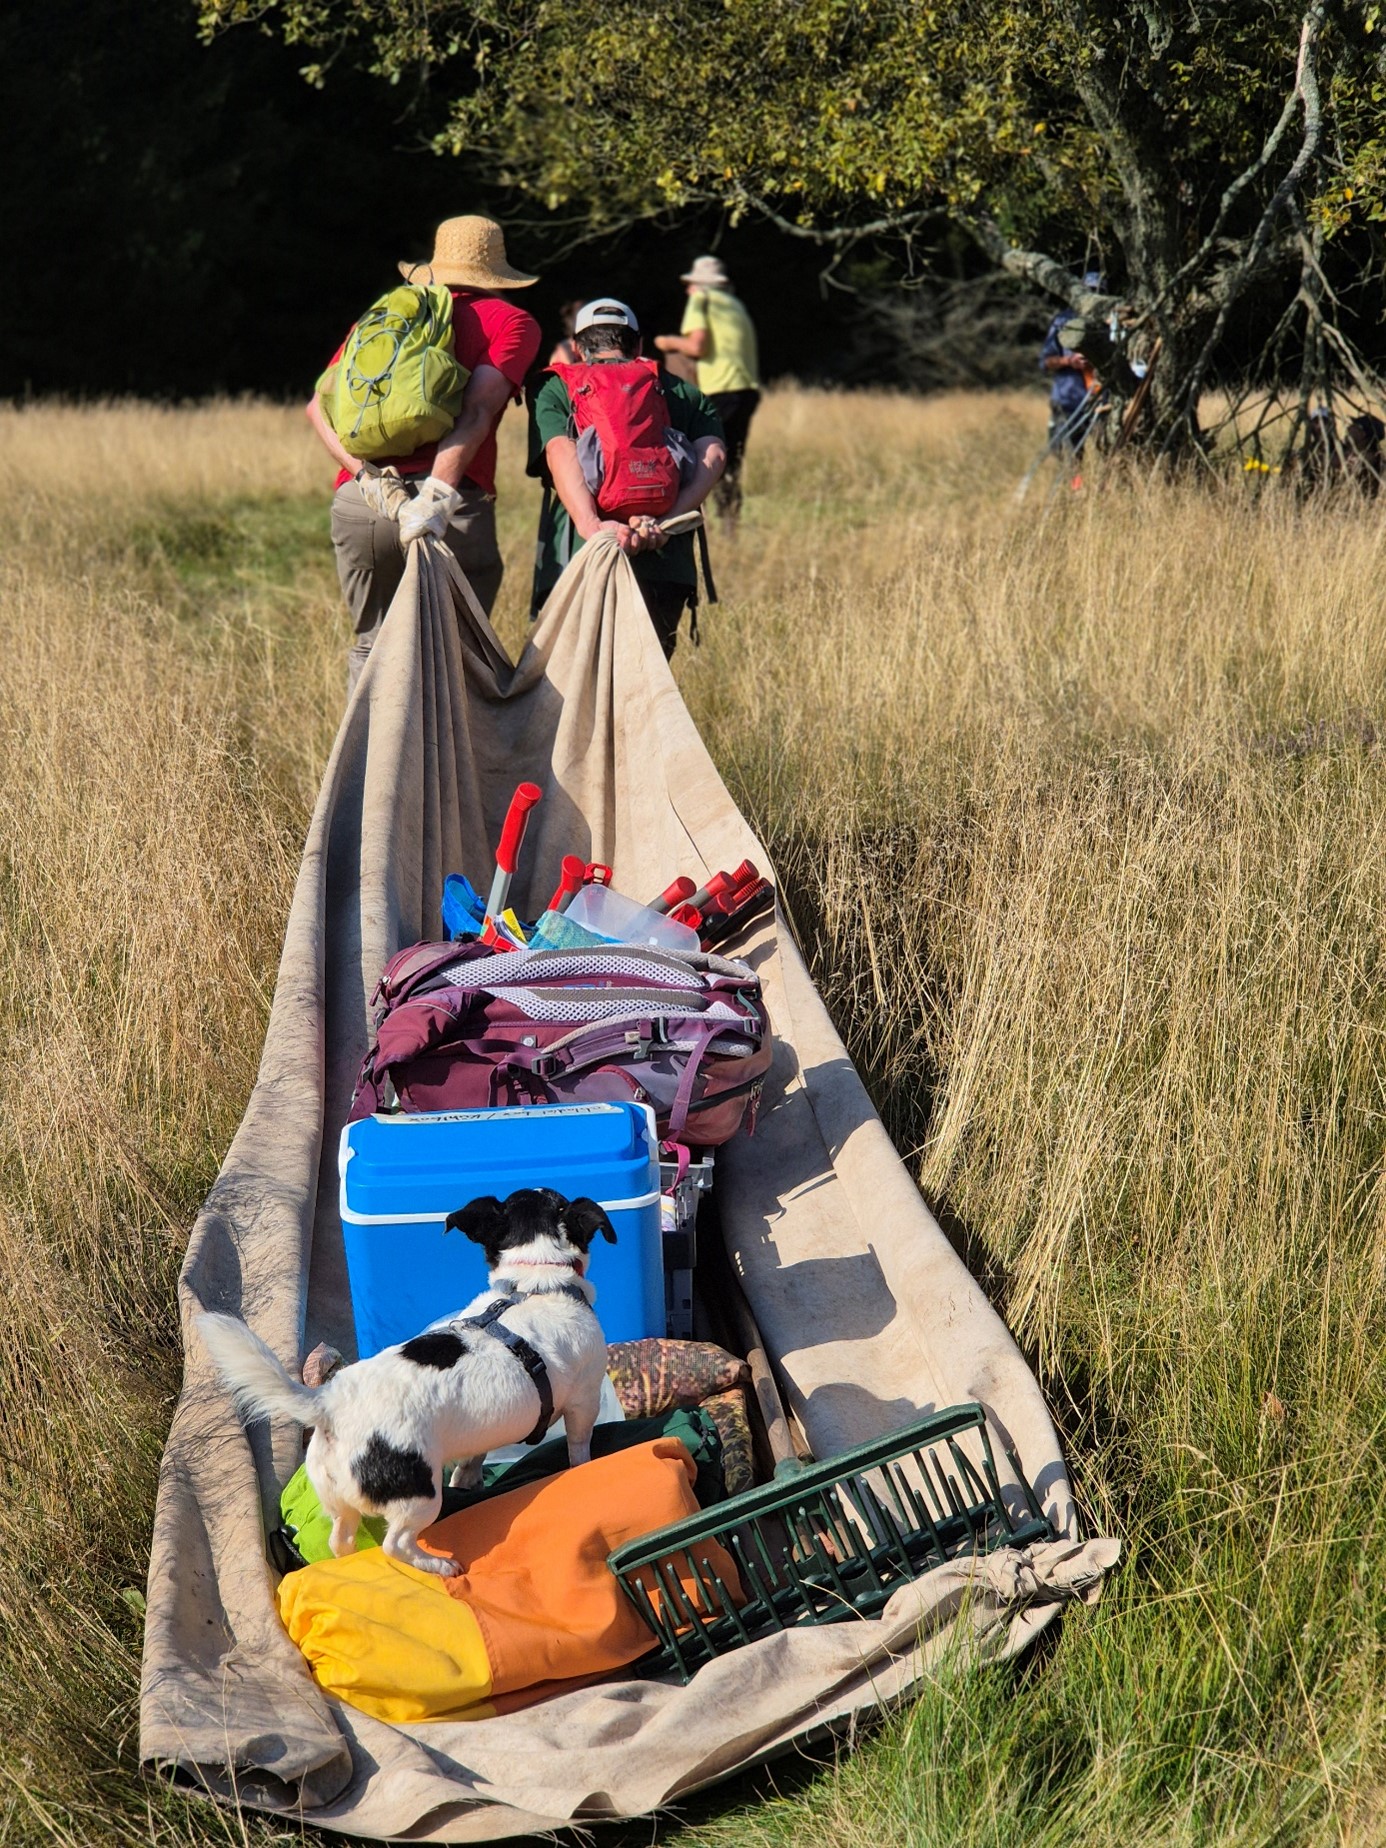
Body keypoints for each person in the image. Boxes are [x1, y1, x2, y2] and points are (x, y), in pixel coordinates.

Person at [306, 215, 542, 688]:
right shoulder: (513, 323)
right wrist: (432, 497)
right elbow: (476, 413)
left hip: (364, 503)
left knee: (373, 646)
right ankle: (447, 763)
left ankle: (371, 763)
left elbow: (317, 408)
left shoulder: (384, 317)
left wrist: (373, 482)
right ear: (496, 271)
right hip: (450, 506)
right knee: (461, 657)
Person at [529, 298, 726, 658]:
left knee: (573, 692)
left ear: (576, 348)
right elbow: (714, 455)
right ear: (638, 345)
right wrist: (666, 522)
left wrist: (593, 526)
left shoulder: (557, 387)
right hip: (665, 564)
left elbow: (559, 453)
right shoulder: (682, 391)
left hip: (580, 558)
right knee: (647, 693)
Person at [654, 256, 760, 531]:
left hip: (720, 389)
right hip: (746, 389)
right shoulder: (735, 305)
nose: (688, 290)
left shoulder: (701, 301)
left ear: (700, 286)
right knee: (731, 461)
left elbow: (697, 346)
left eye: (691, 285)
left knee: (700, 458)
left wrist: (665, 342)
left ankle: (687, 521)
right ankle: (729, 524)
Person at [1039, 271, 1103, 468]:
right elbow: (1046, 362)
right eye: (1090, 291)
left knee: (1107, 457)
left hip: (1101, 404)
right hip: (1069, 401)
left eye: (1099, 291)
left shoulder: (1109, 323)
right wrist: (1069, 361)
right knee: (1069, 457)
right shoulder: (1063, 321)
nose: (1094, 295)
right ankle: (1076, 492)